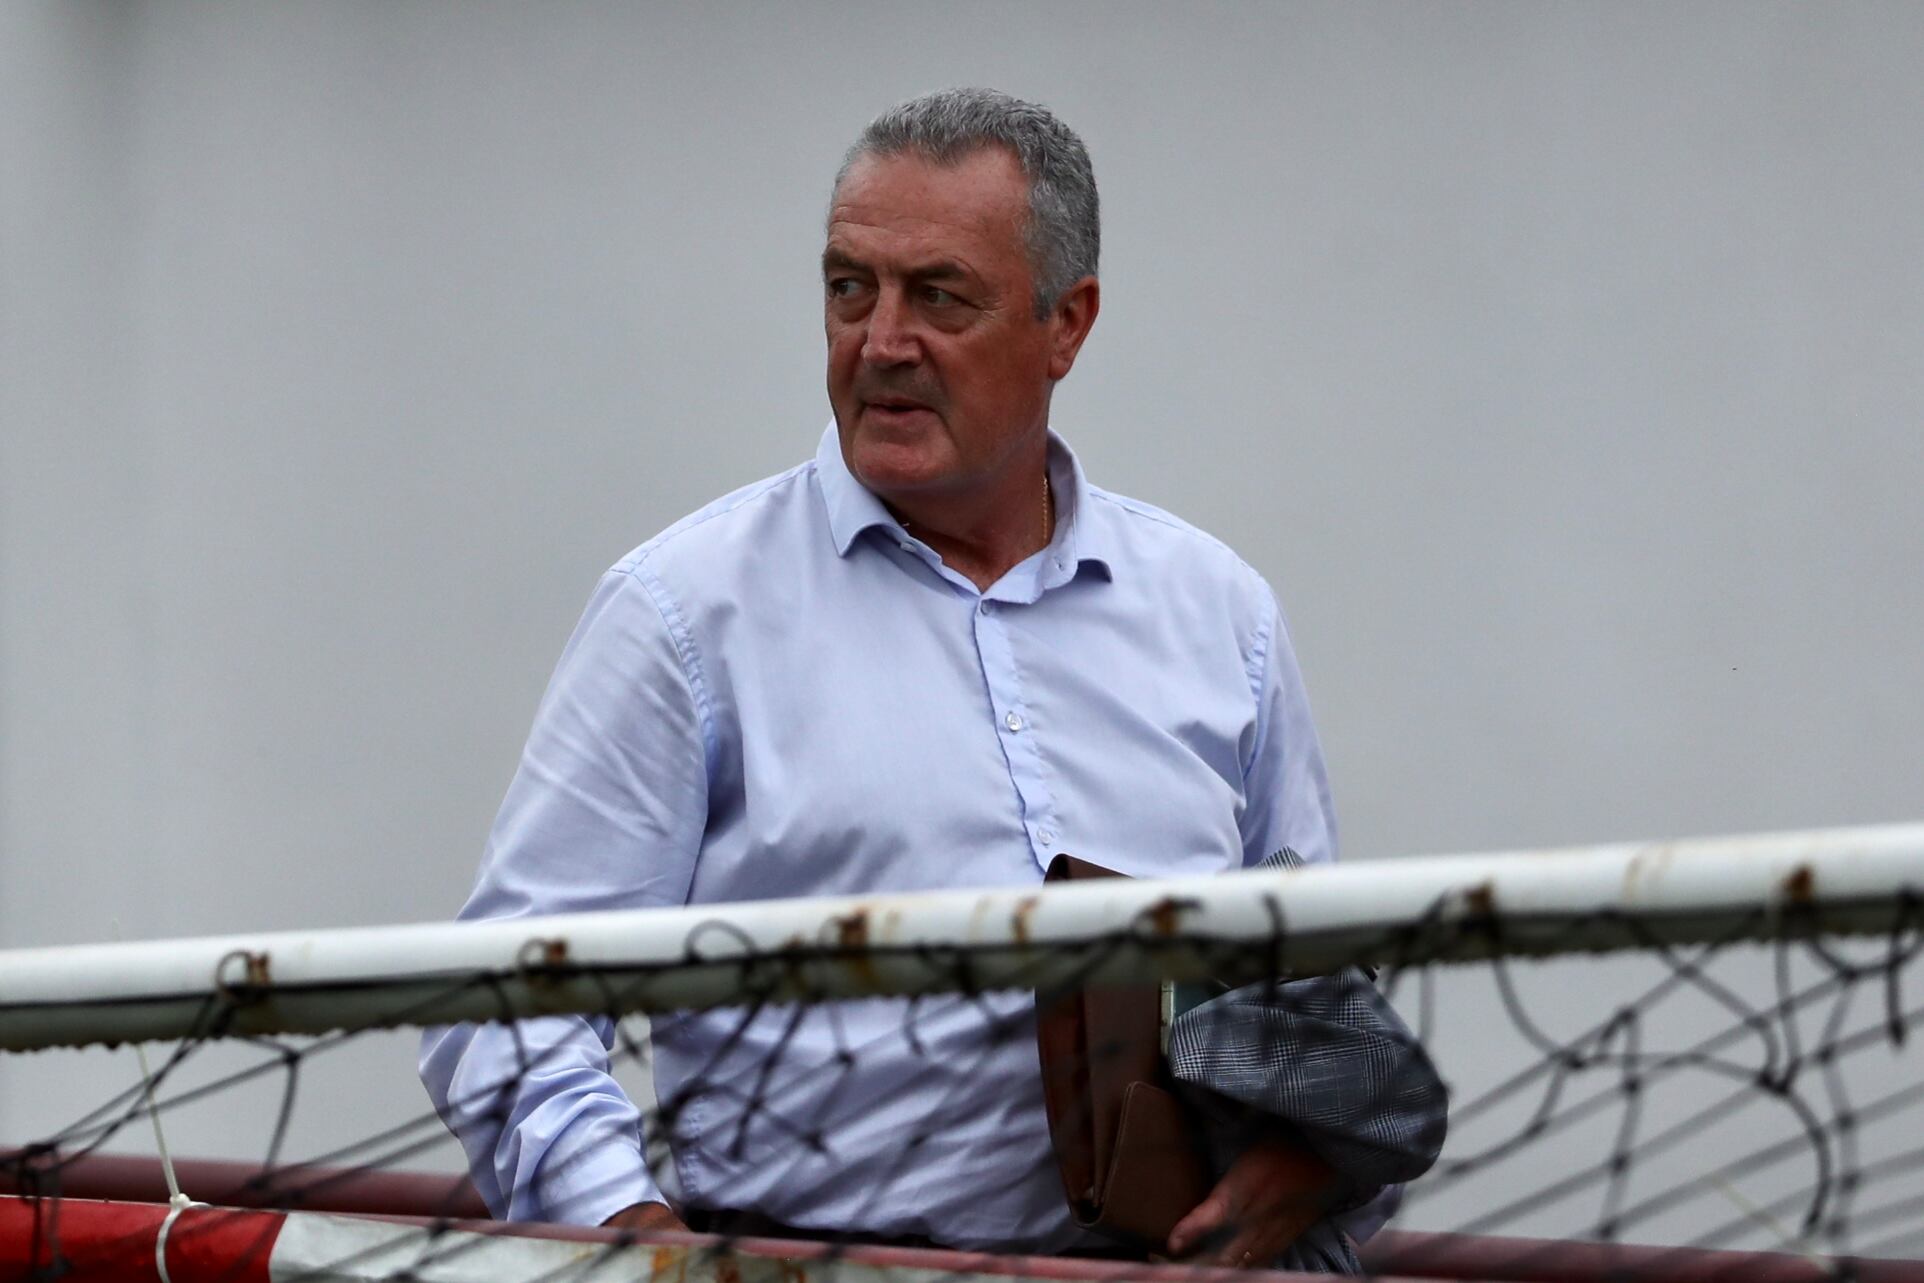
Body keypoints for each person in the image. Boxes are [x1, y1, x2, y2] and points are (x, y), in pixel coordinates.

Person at [420, 87, 1441, 1273]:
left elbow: (1319, 1011)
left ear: (1068, 324)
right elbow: (503, 1006)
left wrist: (1305, 1162)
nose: (880, 341)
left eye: (938, 296)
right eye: (849, 287)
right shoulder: (685, 612)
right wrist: (642, 1246)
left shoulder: (1220, 614)